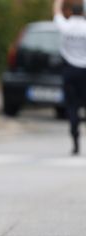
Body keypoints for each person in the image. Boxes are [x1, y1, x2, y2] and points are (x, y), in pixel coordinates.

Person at [53, 0, 86, 155]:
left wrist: (59, 1)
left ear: (71, 12)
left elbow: (57, 13)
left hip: (69, 71)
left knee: (72, 107)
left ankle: (75, 140)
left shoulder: (66, 26)